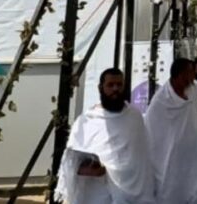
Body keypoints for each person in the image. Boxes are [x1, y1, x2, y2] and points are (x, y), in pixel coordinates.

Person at [54, 68, 156, 204]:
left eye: (119, 85)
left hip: (135, 194)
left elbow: (143, 158)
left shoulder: (135, 117)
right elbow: (71, 163)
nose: (115, 89)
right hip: (98, 194)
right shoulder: (86, 121)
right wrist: (89, 170)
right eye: (110, 85)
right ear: (100, 88)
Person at [145, 58, 197, 204]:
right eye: (191, 72)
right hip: (169, 166)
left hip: (193, 161)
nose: (194, 75)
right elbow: (151, 137)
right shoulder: (160, 102)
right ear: (181, 75)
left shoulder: (192, 92)